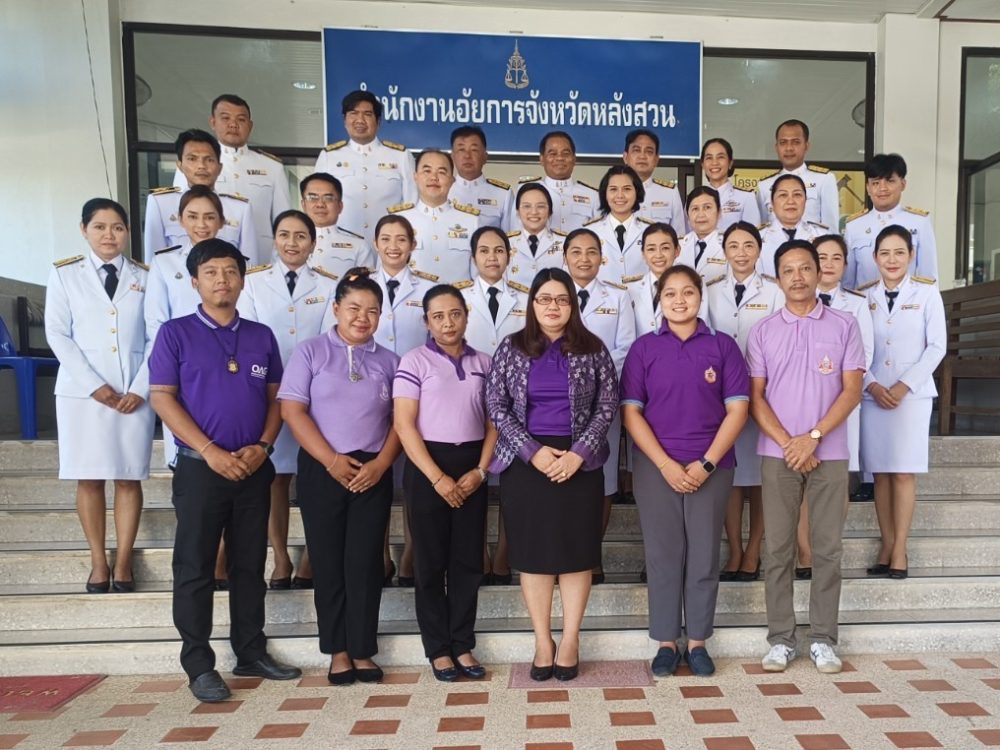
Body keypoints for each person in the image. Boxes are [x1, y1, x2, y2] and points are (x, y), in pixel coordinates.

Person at [148, 238, 301, 703]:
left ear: (242, 280)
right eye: (212, 272)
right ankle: (199, 665)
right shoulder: (175, 333)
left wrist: (263, 446)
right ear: (195, 281)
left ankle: (250, 651)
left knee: (249, 565)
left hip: (253, 467)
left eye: (231, 271)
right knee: (195, 567)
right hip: (201, 468)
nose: (222, 280)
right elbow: (162, 398)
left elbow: (276, 399)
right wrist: (210, 450)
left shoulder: (260, 336)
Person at [486, 268, 618, 682]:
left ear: (572, 305)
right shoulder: (512, 347)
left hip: (580, 461)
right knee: (534, 556)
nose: (553, 307)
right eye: (544, 299)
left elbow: (607, 404)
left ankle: (571, 639)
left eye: (561, 299)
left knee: (577, 554)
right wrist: (532, 451)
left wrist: (579, 453)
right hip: (527, 462)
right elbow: (495, 404)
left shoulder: (593, 348)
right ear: (532, 304)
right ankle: (543, 641)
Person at [622, 264, 750, 676]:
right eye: (670, 293)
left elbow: (738, 410)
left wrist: (707, 463)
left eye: (688, 292)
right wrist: (665, 464)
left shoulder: (723, 346)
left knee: (704, 554)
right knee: (663, 554)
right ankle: (665, 641)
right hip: (655, 467)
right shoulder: (644, 349)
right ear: (659, 300)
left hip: (712, 466)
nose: (679, 300)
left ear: (700, 296)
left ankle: (697, 642)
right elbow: (631, 413)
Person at [747, 239, 865, 675]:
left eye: (805, 268)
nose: (797, 277)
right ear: (777, 278)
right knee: (778, 548)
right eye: (788, 270)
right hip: (778, 454)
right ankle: (781, 639)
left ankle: (822, 639)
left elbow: (851, 391)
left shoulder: (845, 324)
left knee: (827, 549)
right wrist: (790, 443)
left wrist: (813, 437)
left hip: (828, 453)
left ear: (819, 273)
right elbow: (756, 398)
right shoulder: (763, 330)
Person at [279, 268, 402, 685]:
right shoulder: (310, 352)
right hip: (322, 467)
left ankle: (363, 649)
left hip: (372, 470)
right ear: (335, 309)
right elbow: (292, 410)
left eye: (372, 310)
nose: (362, 318)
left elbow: (401, 421)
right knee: (328, 560)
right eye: (353, 308)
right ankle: (338, 650)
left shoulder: (390, 361)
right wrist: (330, 460)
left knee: (365, 562)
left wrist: (381, 464)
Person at [45, 198, 154, 594]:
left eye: (118, 227)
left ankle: (123, 560)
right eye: (100, 227)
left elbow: (158, 335)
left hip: (132, 394)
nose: (109, 235)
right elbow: (57, 333)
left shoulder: (146, 275)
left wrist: (141, 388)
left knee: (128, 477)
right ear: (84, 230)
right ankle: (97, 560)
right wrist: (94, 385)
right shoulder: (65, 274)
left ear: (128, 232)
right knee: (89, 478)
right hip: (82, 395)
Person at [394, 285, 497, 681]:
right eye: (438, 316)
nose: (448, 323)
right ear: (427, 322)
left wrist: (480, 471)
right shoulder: (414, 360)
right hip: (428, 468)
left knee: (468, 561)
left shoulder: (484, 362)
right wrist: (437, 478)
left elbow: (493, 422)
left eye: (455, 314)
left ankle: (463, 643)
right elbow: (404, 424)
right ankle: (438, 648)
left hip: (471, 467)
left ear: (466, 315)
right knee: (430, 561)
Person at [238, 210, 339, 590]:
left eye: (301, 236)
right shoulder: (253, 282)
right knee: (276, 478)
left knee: (317, 477)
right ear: (274, 239)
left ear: (313, 243)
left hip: (317, 396)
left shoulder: (329, 284)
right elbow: (249, 338)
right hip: (270, 391)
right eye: (284, 235)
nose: (292, 243)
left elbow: (331, 341)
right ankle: (280, 556)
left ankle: (311, 555)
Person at [859, 226, 946, 580]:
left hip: (912, 397)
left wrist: (904, 385)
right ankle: (886, 544)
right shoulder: (863, 296)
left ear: (911, 255)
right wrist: (871, 383)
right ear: (875, 257)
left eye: (899, 252)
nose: (892, 260)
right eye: (885, 253)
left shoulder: (927, 293)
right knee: (880, 474)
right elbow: (854, 348)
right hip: (873, 395)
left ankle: (900, 550)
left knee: (904, 472)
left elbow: (936, 347)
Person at [706, 222, 785, 583]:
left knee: (760, 476)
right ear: (724, 251)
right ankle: (735, 549)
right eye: (734, 246)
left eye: (748, 245)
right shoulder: (709, 290)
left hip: (766, 393)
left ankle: (754, 549)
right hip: (721, 395)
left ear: (759, 250)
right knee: (732, 475)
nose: (741, 252)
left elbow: (782, 341)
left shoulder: (774, 291)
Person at [795, 234, 874, 578]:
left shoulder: (856, 304)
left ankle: (826, 550)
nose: (828, 264)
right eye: (821, 258)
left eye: (836, 258)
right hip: (800, 403)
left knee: (836, 481)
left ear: (845, 264)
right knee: (800, 480)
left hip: (841, 405)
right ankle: (805, 554)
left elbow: (865, 354)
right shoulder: (795, 299)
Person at [563, 228, 636, 582]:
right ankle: (565, 555)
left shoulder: (618, 297)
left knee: (602, 479)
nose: (584, 259)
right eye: (576, 252)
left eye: (591, 252)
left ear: (601, 257)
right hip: (557, 403)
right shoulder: (552, 293)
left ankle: (592, 554)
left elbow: (625, 347)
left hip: (603, 401)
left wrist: (595, 382)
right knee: (563, 477)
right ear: (565, 257)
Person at [461, 226, 528, 586]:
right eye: (484, 251)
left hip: (516, 403)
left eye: (499, 250)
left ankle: (503, 553)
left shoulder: (525, 298)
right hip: (468, 398)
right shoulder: (459, 297)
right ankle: (478, 552)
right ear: (473, 257)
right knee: (477, 472)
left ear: (509, 256)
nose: (492, 257)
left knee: (511, 482)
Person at [371, 214, 435, 586]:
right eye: (386, 239)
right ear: (376, 243)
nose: (393, 246)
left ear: (412, 245)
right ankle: (380, 552)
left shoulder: (428, 288)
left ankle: (411, 550)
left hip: (416, 393)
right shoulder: (362, 285)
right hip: (370, 390)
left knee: (412, 475)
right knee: (377, 473)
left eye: (401, 239)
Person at [145, 186, 225, 473]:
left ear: (221, 221)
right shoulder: (164, 262)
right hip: (182, 366)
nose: (201, 224)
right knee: (185, 457)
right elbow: (156, 321)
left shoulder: (237, 263)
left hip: (227, 365)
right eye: (193, 216)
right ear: (180, 220)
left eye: (209, 217)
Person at [173, 94, 291, 251]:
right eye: (225, 118)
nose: (233, 124)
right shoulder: (194, 164)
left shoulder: (272, 167)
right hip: (206, 252)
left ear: (250, 125)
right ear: (213, 122)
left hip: (259, 255)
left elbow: (284, 221)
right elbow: (180, 212)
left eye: (241, 119)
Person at [315, 89, 416, 242]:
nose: (360, 120)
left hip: (389, 246)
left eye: (367, 114)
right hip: (342, 245)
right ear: (344, 120)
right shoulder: (329, 156)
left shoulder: (400, 156)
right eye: (353, 113)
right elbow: (316, 205)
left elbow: (412, 204)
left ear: (378, 121)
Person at [144, 129, 258, 264]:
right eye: (192, 159)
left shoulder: (240, 209)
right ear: (180, 165)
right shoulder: (160, 203)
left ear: (220, 167)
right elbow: (153, 259)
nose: (201, 166)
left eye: (209, 160)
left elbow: (250, 265)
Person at [844, 153, 938, 290]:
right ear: (868, 188)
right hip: (865, 301)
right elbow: (847, 282)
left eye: (890, 181)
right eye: (875, 183)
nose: (882, 188)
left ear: (903, 184)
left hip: (907, 301)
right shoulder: (854, 226)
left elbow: (928, 278)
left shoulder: (919, 222)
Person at [390, 149, 480, 285]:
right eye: (427, 171)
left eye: (442, 172)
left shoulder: (471, 221)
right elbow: (388, 272)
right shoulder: (397, 220)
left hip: (458, 297)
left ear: (452, 180)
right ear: (415, 176)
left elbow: (479, 276)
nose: (434, 177)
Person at [756, 119, 840, 230]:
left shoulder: (824, 179)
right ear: (776, 147)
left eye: (796, 142)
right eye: (783, 142)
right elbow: (761, 230)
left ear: (806, 146)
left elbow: (831, 229)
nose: (789, 148)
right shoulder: (764, 185)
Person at [508, 132, 599, 233]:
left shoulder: (592, 195)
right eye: (552, 154)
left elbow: (599, 233)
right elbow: (516, 230)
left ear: (574, 159)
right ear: (542, 159)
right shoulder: (527, 192)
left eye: (566, 153)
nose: (560, 158)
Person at [299, 172, 376, 279]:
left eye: (328, 198)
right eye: (313, 198)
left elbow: (366, 286)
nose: (320, 204)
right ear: (303, 204)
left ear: (340, 206)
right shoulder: (287, 243)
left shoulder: (359, 246)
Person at [586, 165, 650, 286]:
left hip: (642, 296)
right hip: (602, 297)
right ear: (605, 193)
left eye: (627, 189)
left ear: (637, 192)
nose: (620, 195)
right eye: (613, 189)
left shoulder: (651, 231)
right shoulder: (589, 232)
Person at [759, 174, 826, 277]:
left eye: (797, 195)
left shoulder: (822, 236)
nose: (790, 201)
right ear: (772, 202)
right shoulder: (757, 238)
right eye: (783, 195)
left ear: (805, 201)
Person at [448, 125, 513, 229]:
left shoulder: (503, 194)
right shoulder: (444, 191)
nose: (467, 156)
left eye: (474, 150)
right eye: (461, 149)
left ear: (485, 157)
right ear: (452, 157)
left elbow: (509, 235)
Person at [506, 182, 566, 290]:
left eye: (541, 206)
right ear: (517, 212)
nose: (534, 212)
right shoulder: (506, 243)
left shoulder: (564, 243)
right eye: (527, 206)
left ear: (550, 211)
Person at [622, 129, 685, 230]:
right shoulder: (613, 192)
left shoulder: (670, 192)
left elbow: (679, 234)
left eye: (649, 151)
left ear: (656, 160)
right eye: (636, 150)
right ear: (625, 157)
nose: (642, 156)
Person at [701, 137, 761, 230]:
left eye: (720, 157)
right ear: (703, 165)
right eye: (709, 158)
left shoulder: (746, 197)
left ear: (730, 163)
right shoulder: (695, 199)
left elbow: (753, 234)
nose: (714, 162)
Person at [677, 187, 726, 282]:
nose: (701, 215)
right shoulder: (677, 245)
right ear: (688, 215)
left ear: (719, 212)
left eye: (707, 207)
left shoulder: (730, 244)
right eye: (695, 209)